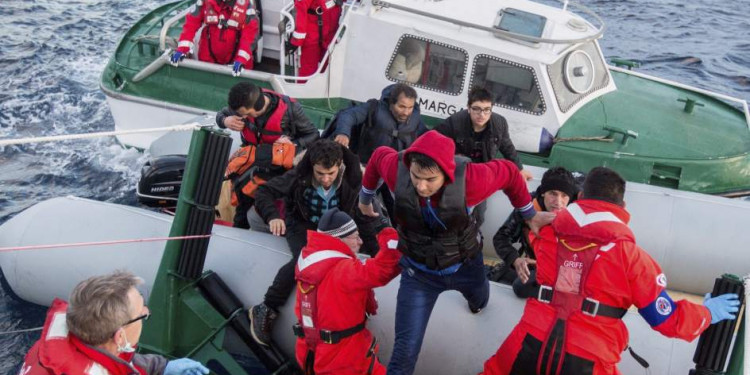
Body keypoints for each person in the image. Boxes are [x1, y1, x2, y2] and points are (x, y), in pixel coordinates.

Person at [480, 167, 741, 375]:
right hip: (589, 358)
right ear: (623, 207)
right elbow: (665, 320)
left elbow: (538, 230)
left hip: (527, 342)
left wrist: (542, 218)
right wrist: (706, 313)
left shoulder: (546, 233)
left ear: (580, 198)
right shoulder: (633, 259)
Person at [357, 130, 554, 375]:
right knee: (404, 351)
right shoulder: (397, 171)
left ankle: (476, 302)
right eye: (416, 176)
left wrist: (530, 215)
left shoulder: (473, 180)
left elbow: (510, 173)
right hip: (418, 274)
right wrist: (365, 198)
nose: (420, 186)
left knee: (480, 300)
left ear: (447, 174)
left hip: (465, 267)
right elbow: (378, 157)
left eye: (430, 179)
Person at [249, 139, 389, 346]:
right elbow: (264, 192)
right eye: (320, 173)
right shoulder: (298, 176)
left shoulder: (353, 180)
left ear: (339, 166)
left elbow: (364, 216)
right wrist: (273, 217)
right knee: (303, 259)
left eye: (331, 174)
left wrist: (379, 252)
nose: (325, 179)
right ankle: (266, 307)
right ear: (312, 167)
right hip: (302, 224)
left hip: (334, 228)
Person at [19, 271, 209, 375]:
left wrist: (161, 367)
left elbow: (113, 360)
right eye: (141, 314)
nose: (146, 311)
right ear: (120, 336)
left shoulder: (52, 348)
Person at [293, 208, 401, 375]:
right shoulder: (344, 271)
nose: (360, 242)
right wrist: (383, 228)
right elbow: (386, 267)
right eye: (355, 236)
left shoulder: (306, 262)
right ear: (339, 240)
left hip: (310, 355)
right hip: (346, 361)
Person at [217, 82, 320, 228]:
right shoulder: (242, 105)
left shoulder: (291, 110)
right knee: (241, 197)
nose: (242, 117)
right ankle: (240, 228)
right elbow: (221, 114)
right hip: (251, 161)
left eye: (245, 114)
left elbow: (313, 135)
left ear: (257, 108)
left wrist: (292, 144)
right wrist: (225, 120)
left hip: (277, 167)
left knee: (263, 198)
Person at [492, 167, 578, 294]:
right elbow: (501, 237)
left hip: (565, 271)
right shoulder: (527, 207)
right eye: (553, 194)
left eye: (564, 196)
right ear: (543, 192)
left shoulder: (578, 213)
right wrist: (515, 260)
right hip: (533, 266)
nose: (558, 202)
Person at [435, 87, 533, 181]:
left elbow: (508, 148)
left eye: (486, 110)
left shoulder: (499, 124)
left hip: (483, 172)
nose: (482, 114)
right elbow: (433, 140)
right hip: (459, 170)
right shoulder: (455, 122)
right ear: (469, 108)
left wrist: (520, 169)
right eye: (476, 109)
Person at [170, 0, 260, 77]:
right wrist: (182, 50)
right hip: (207, 56)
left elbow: (249, 37)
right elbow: (191, 24)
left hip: (236, 63)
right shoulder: (205, 3)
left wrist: (241, 60)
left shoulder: (247, 9)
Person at [286, 0, 342, 77]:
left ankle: (321, 87)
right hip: (313, 34)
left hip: (331, 33)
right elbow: (300, 8)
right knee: (308, 71)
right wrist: (296, 40)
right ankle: (305, 88)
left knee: (328, 67)